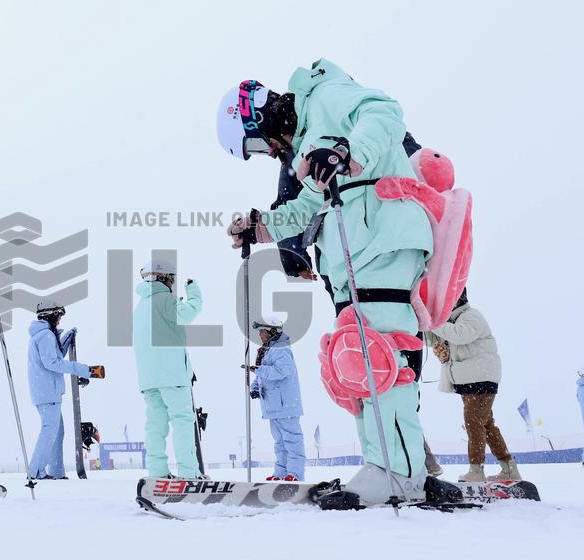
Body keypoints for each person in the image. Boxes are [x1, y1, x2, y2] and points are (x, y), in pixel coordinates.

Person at [217, 60, 435, 505]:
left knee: (381, 354)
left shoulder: (325, 98)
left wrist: (348, 153)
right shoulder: (307, 145)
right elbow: (307, 204)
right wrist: (260, 227)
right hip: (354, 250)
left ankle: (399, 473)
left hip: (380, 237)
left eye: (257, 143)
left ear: (264, 115)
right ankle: (388, 466)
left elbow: (385, 113)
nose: (268, 151)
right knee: (360, 359)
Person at [427, 289, 520, 481]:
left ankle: (476, 470)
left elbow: (460, 335)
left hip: (482, 378)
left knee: (473, 421)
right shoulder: (450, 322)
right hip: (469, 380)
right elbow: (433, 337)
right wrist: (419, 325)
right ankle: (508, 467)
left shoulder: (471, 316)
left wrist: (433, 322)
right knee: (486, 424)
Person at [132, 259, 205, 480]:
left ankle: (158, 472)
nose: (173, 283)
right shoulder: (164, 299)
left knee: (155, 425)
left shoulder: (141, 305)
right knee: (182, 421)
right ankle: (189, 474)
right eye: (172, 279)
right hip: (171, 375)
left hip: (149, 378)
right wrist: (193, 292)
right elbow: (187, 314)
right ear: (165, 277)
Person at [26, 299, 104, 480]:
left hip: (45, 391)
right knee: (49, 430)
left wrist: (67, 338)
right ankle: (36, 471)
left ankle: (56, 471)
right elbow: (53, 362)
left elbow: (54, 356)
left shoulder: (42, 335)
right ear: (51, 315)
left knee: (56, 431)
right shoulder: (45, 335)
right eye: (59, 315)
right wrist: (85, 370)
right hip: (48, 392)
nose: (60, 319)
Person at [246, 315, 305, 481]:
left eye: (262, 331)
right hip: (273, 406)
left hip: (285, 405)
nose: (260, 335)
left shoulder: (281, 350)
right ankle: (281, 473)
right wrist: (255, 387)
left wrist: (258, 370)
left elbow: (281, 372)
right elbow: (262, 375)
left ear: (272, 332)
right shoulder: (268, 351)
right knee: (280, 443)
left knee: (292, 442)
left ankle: (295, 474)